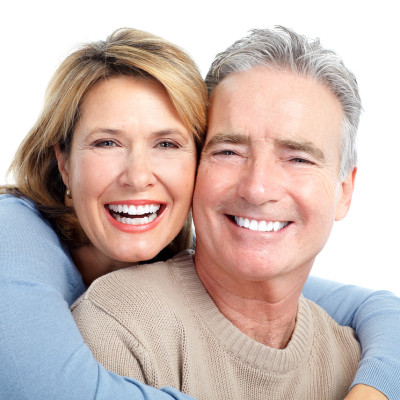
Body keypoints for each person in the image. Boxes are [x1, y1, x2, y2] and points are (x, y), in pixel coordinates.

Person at [0, 27, 398, 400]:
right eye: (106, 142)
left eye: (168, 144)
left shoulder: (194, 252)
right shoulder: (14, 239)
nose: (139, 177)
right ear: (64, 163)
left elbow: (373, 307)